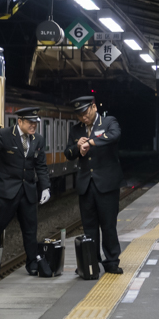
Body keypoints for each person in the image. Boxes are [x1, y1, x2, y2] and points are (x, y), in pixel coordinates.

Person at [65, 96, 124, 275]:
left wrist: (90, 142)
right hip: (86, 184)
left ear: (94, 107)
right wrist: (77, 147)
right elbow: (68, 152)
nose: (83, 118)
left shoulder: (108, 122)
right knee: (89, 226)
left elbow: (114, 136)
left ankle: (112, 261)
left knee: (108, 225)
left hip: (107, 184)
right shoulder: (76, 130)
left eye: (85, 113)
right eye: (79, 115)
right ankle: (91, 262)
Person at [0, 107, 52, 276]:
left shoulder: (38, 139)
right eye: (30, 122)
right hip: (7, 191)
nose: (33, 125)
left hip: (28, 192)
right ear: (19, 121)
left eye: (35, 122)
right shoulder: (4, 135)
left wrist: (45, 187)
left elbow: (41, 166)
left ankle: (32, 263)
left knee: (30, 230)